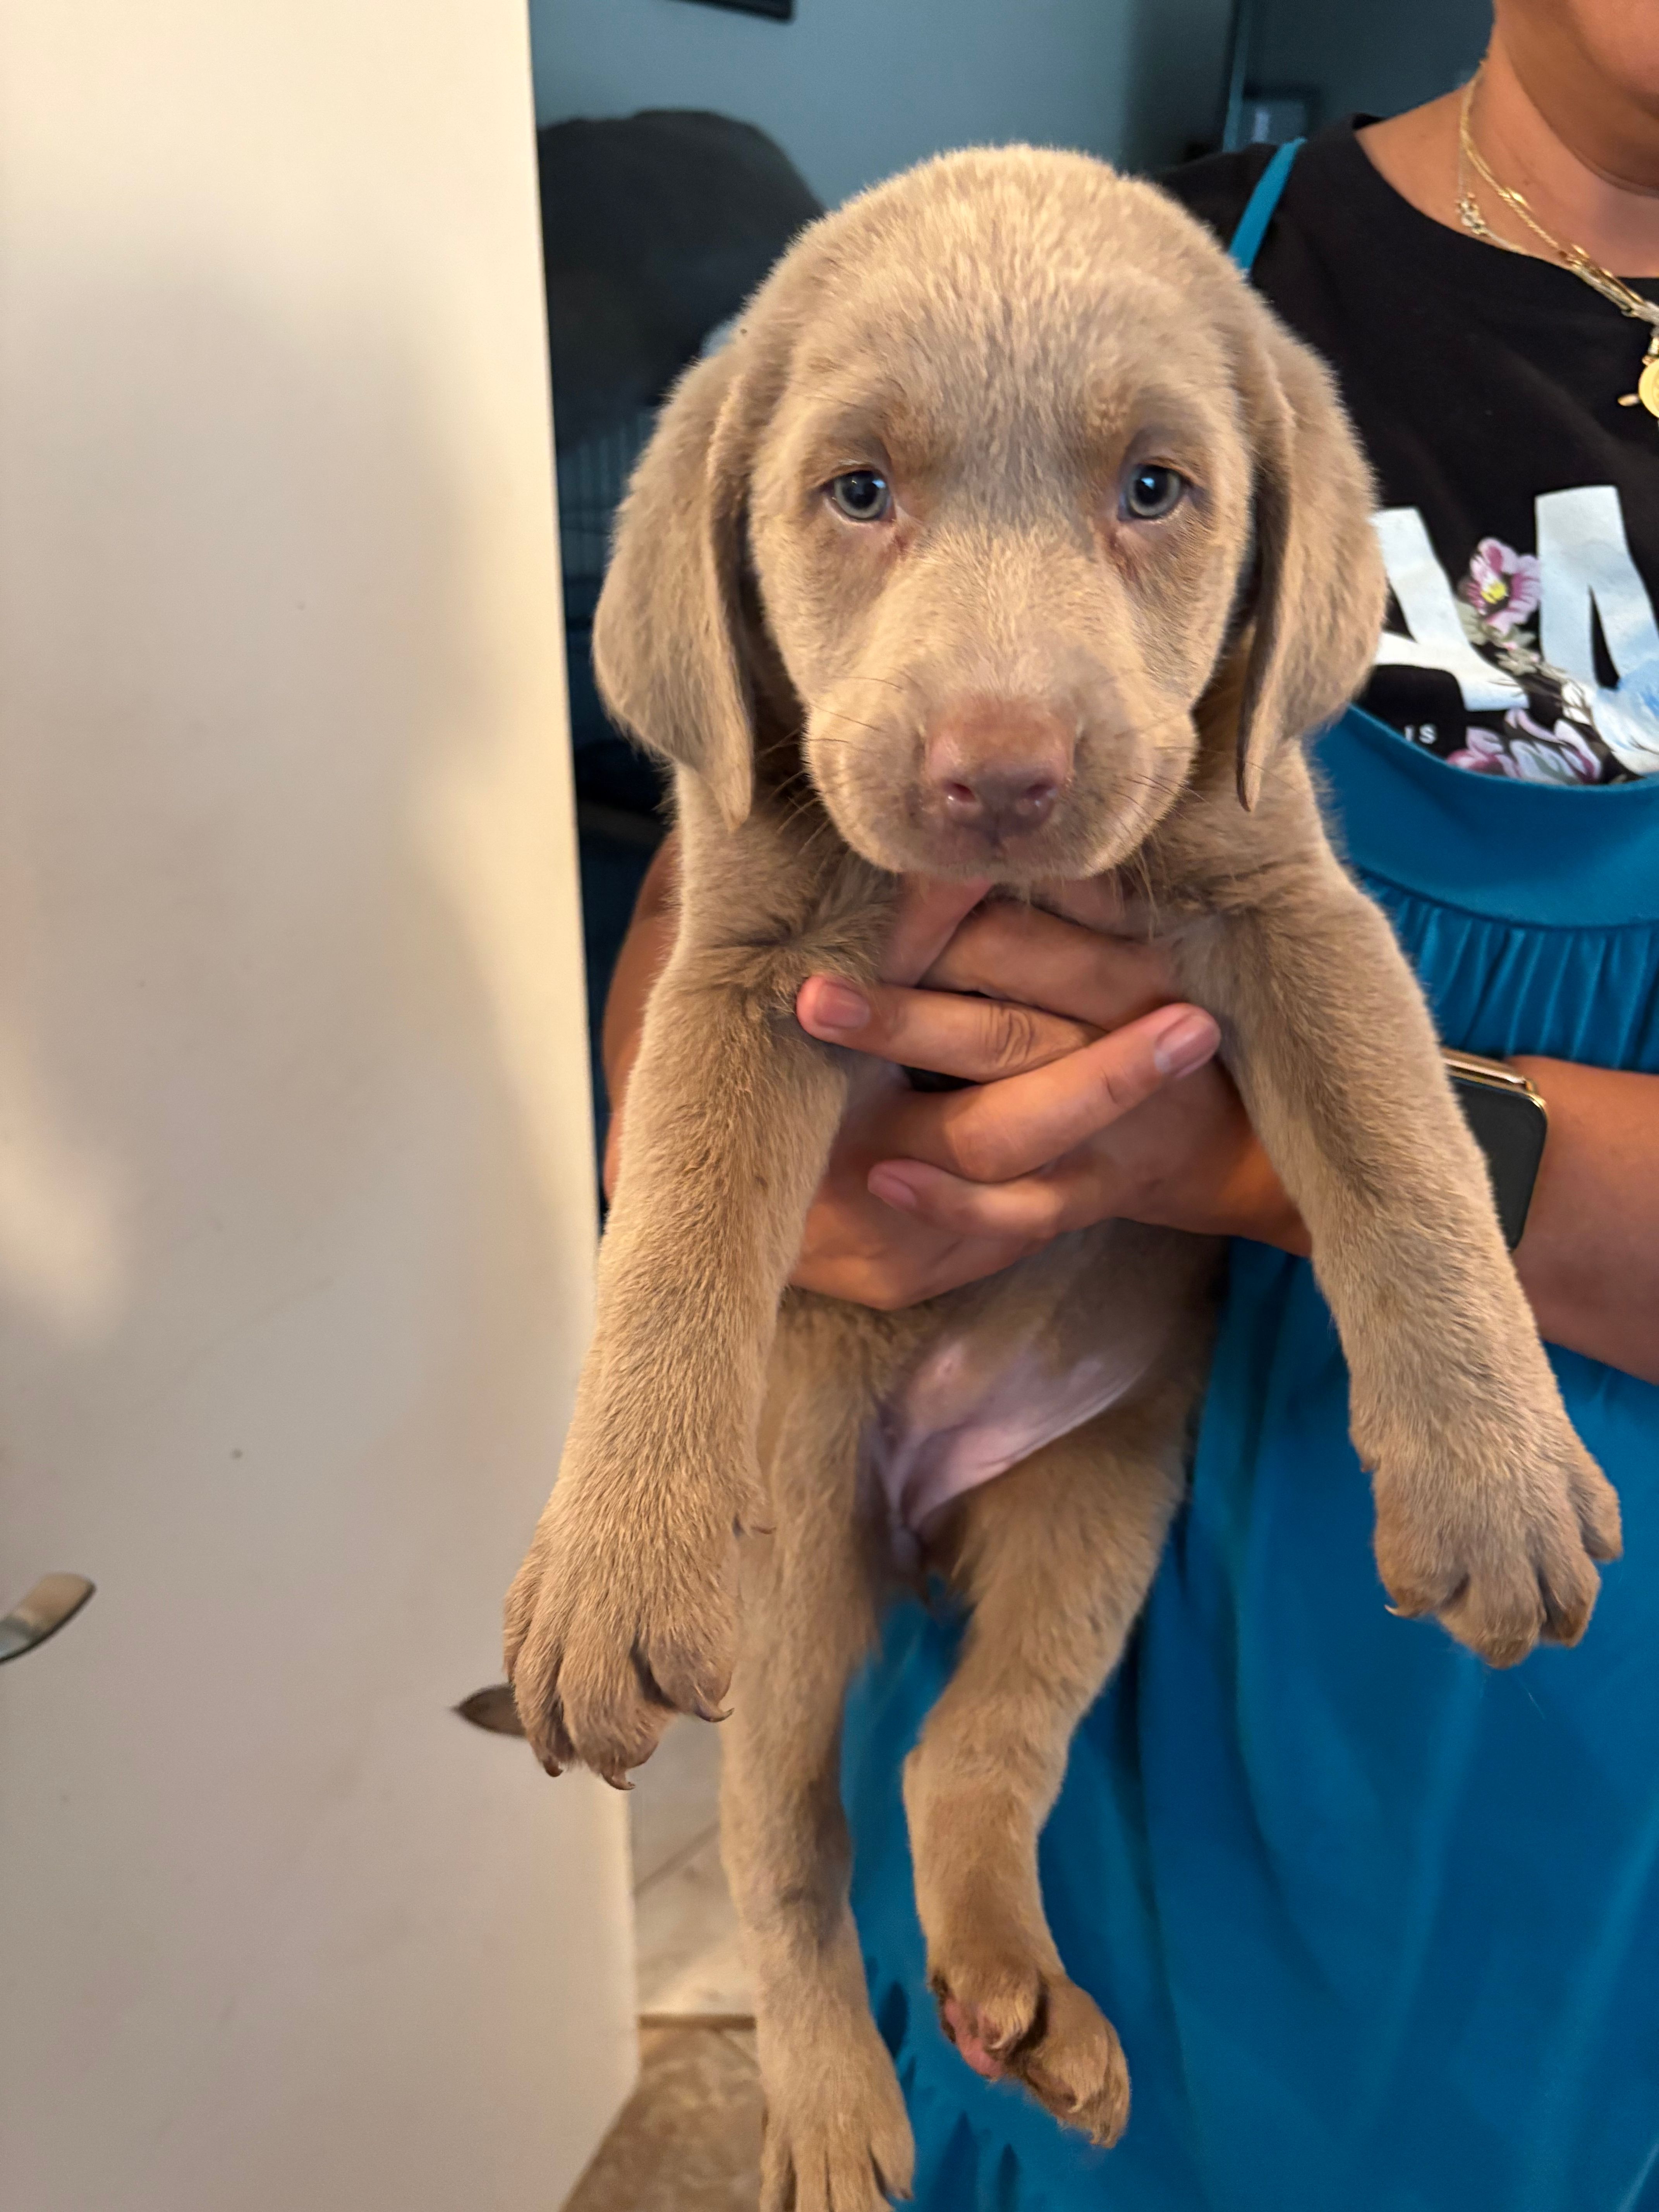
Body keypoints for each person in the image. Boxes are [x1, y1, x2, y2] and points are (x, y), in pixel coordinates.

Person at [600, 3, 1659, 2203]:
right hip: (1171, 1704)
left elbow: (1284, 938)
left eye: (1148, 500)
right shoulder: (1136, 281)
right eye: (871, 493)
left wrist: (1224, 1146)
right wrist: (775, 1238)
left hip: (1572, 1727)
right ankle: (811, 1951)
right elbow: (698, 991)